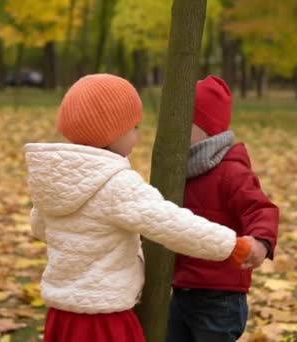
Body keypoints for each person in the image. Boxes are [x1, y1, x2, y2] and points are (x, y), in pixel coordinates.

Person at [23, 74, 256, 342]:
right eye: (134, 127)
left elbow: (39, 227)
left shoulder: (56, 179)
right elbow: (171, 224)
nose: (138, 134)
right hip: (105, 317)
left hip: (62, 314)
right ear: (112, 132)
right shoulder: (117, 184)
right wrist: (231, 245)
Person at [167, 75, 280, 342]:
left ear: (207, 128)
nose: (176, 128)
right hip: (181, 289)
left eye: (186, 122)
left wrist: (261, 242)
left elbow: (261, 208)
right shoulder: (177, 169)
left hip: (220, 297)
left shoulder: (230, 171)